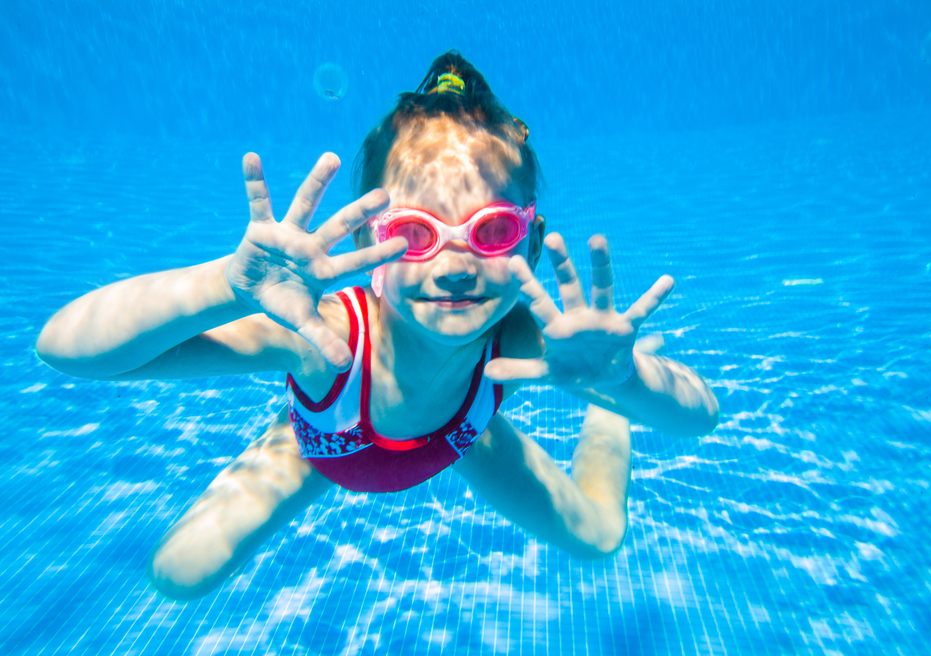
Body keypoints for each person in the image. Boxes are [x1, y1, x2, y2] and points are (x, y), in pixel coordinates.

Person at [34, 51, 719, 601]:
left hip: (465, 438)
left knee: (599, 535)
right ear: (367, 246)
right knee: (178, 572)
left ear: (531, 245)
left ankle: (608, 415)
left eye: (491, 231)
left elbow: (699, 417)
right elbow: (67, 348)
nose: (454, 266)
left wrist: (622, 381)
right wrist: (223, 286)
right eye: (416, 233)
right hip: (321, 445)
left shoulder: (518, 339)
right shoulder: (326, 339)